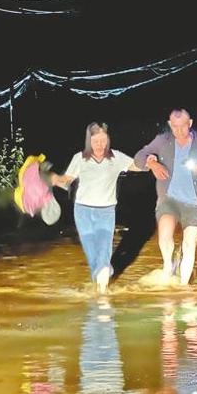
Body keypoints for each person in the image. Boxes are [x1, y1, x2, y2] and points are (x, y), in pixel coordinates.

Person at [52, 122, 145, 294]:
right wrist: (50, 178)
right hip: (82, 212)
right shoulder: (79, 158)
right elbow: (65, 180)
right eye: (96, 141)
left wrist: (152, 161)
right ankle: (100, 288)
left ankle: (102, 293)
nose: (100, 145)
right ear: (89, 141)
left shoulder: (116, 158)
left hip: (106, 212)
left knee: (104, 251)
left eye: (103, 140)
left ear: (108, 139)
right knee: (92, 253)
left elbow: (138, 166)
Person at [134, 108, 197, 284]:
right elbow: (139, 156)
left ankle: (183, 287)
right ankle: (169, 266)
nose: (179, 131)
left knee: (189, 245)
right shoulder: (163, 140)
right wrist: (152, 163)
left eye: (183, 126)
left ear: (190, 124)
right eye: (175, 127)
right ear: (169, 125)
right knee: (165, 237)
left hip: (196, 203)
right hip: (169, 200)